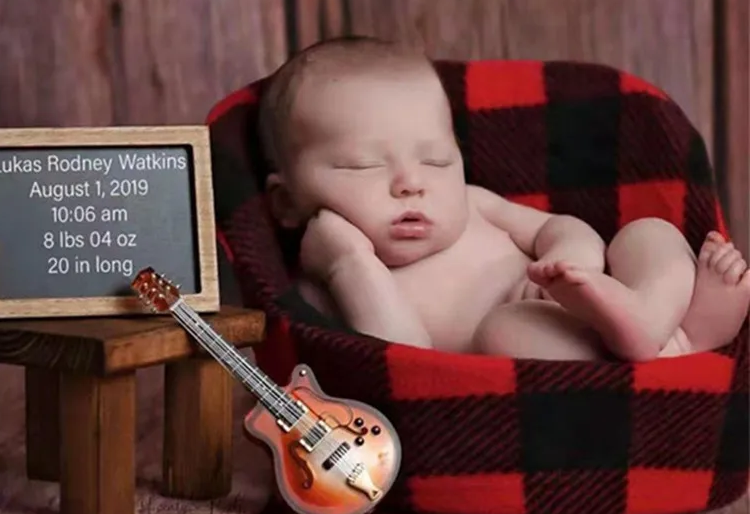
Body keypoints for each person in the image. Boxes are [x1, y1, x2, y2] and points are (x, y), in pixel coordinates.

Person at [258, 37, 750, 361]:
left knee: (648, 233)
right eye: (364, 166)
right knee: (504, 331)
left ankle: (650, 316)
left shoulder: (474, 203)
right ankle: (678, 347)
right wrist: (349, 263)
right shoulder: (328, 285)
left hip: (589, 291)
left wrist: (570, 256)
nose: (411, 184)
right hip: (545, 350)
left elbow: (555, 226)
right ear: (285, 203)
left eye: (436, 161)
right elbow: (401, 366)